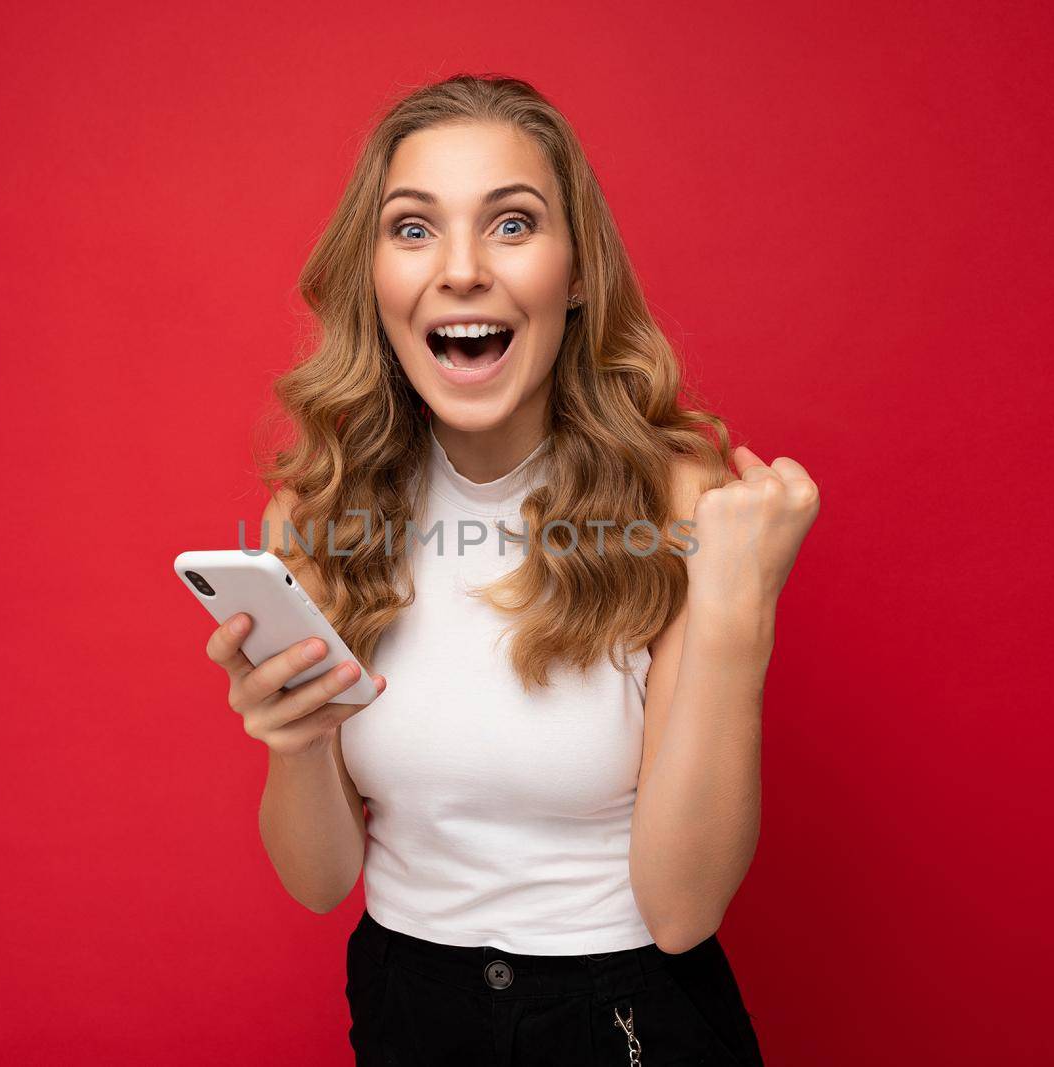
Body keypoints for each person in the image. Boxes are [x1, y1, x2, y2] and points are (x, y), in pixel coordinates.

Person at [205, 74, 818, 1065]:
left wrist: (737, 616)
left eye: (511, 224)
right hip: (408, 1003)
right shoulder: (316, 515)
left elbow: (682, 907)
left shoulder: (677, 497)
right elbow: (321, 880)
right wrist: (292, 739)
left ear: (575, 274)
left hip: (623, 1013)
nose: (459, 271)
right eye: (413, 229)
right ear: (374, 276)